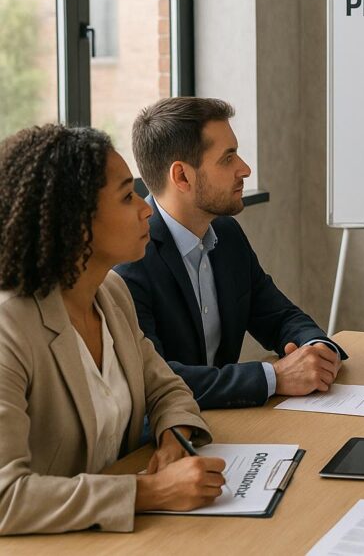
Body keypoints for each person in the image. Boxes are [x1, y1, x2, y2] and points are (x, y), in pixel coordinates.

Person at [0, 125, 226, 535]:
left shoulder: (111, 292)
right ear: (74, 223)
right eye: (127, 196)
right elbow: (4, 498)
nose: (146, 209)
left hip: (109, 536)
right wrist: (149, 491)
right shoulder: (8, 329)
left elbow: (166, 388)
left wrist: (174, 435)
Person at [115, 97, 346, 410]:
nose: (245, 169)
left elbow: (279, 316)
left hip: (229, 423)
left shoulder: (226, 234)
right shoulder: (129, 261)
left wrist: (316, 349)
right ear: (182, 176)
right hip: (168, 441)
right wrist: (274, 377)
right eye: (228, 158)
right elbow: (154, 381)